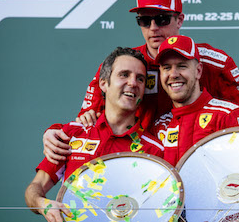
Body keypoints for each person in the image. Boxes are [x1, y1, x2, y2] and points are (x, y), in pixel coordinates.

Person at [43, 0, 239, 165]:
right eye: (145, 20)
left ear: (179, 20)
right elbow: (87, 121)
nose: (153, 27)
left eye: (162, 19)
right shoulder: (125, 64)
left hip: (203, 163)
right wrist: (55, 133)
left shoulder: (213, 62)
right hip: (140, 163)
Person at [25, 47, 164, 222]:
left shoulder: (154, 150)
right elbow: (35, 187)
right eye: (124, 75)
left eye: (140, 78)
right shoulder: (72, 133)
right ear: (103, 83)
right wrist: (43, 204)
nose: (133, 83)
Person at [153, 35, 239, 166]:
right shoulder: (160, 126)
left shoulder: (228, 116)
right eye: (167, 68)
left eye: (182, 66)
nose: (173, 74)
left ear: (198, 71)